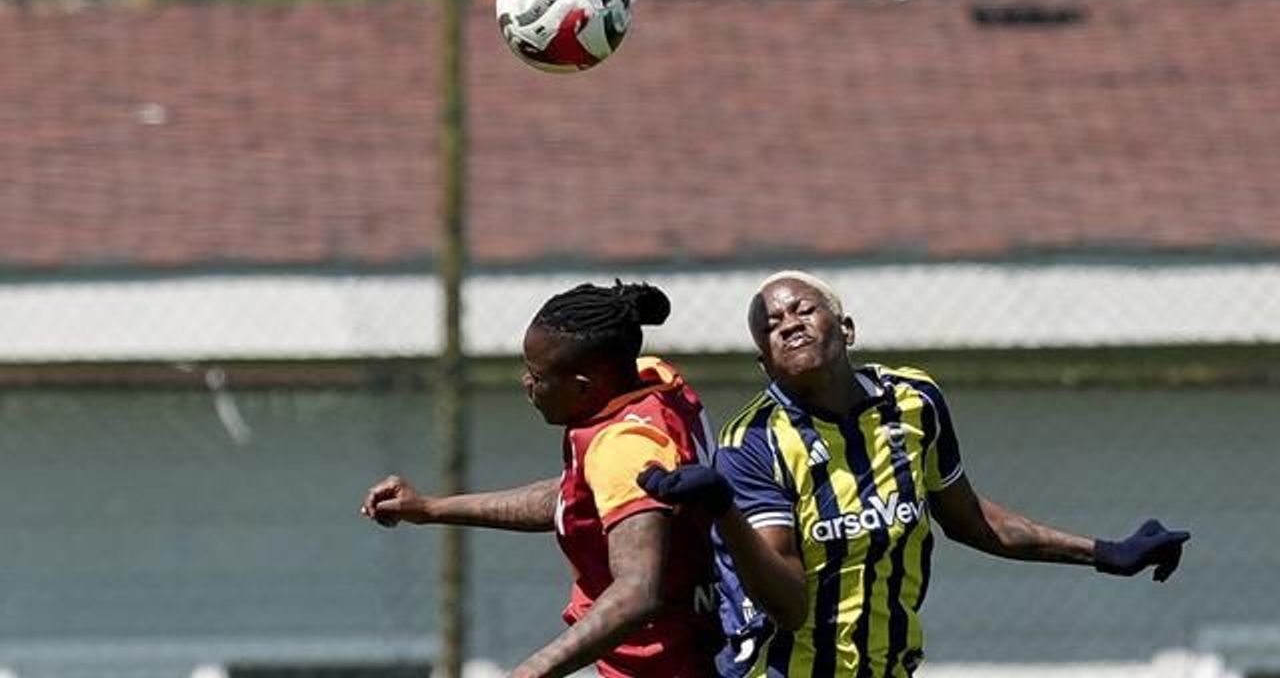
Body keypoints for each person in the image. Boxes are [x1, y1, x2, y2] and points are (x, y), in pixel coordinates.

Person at [641, 270, 1190, 678]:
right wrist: (725, 511)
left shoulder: (913, 401)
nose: (788, 325)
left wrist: (1104, 553)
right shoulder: (754, 442)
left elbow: (969, 519)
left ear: (847, 329)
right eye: (771, 326)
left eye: (803, 310)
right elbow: (788, 606)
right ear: (765, 363)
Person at [361, 281, 722, 678]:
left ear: (583, 387)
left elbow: (636, 592)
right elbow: (576, 499)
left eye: (537, 374)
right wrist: (431, 508)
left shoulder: (624, 447)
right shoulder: (651, 380)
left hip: (669, 667)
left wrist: (532, 671)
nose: (526, 383)